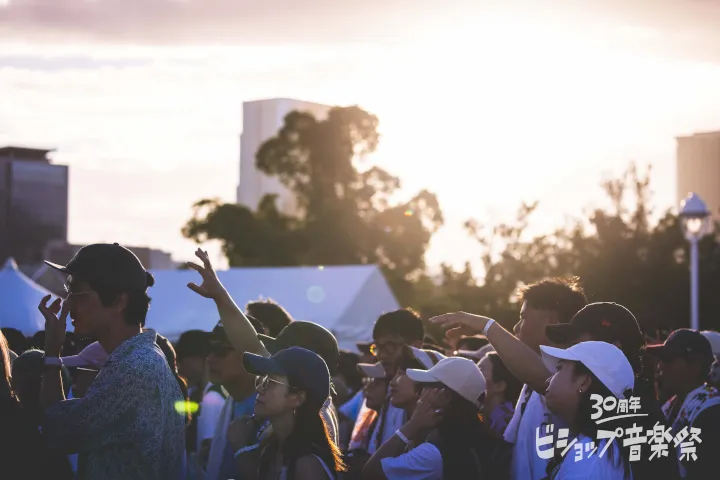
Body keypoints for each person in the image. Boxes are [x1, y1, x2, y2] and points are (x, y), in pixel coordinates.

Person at [432, 299, 680, 480]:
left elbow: (539, 376)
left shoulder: (628, 419)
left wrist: (487, 327)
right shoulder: (614, 410)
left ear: (612, 349)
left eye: (578, 346)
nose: (569, 351)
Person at [39, 242, 186, 480]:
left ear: (119, 302)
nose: (67, 303)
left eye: (77, 293)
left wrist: (52, 352)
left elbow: (58, 432)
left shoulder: (136, 368)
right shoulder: (140, 359)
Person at [431, 277, 587, 480]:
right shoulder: (532, 376)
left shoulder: (571, 375)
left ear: (553, 321)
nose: (516, 328)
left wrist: (486, 326)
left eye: (523, 317)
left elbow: (546, 382)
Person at [187, 249, 341, 445]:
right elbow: (249, 345)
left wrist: (241, 450)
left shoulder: (315, 429)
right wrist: (220, 295)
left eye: (281, 355)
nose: (263, 384)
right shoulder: (303, 408)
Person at [364, 356, 509, 479]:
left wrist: (413, 425)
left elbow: (370, 473)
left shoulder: (435, 453)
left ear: (445, 396)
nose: (419, 393)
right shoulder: (490, 439)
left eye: (425, 386)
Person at [232, 347, 346, 479]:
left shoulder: (308, 466)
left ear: (298, 398)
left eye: (271, 382)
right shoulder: (271, 449)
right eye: (262, 380)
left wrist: (239, 447)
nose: (260, 389)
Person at [540, 341, 634, 479]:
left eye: (559, 368)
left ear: (583, 382)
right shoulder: (599, 450)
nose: (548, 380)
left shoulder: (588, 458)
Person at [646, 329, 720, 479]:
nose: (660, 367)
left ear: (695, 365)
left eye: (667, 359)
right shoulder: (672, 405)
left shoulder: (711, 414)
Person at [203, 320, 260, 480]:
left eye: (220, 350)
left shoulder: (269, 410)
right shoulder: (232, 404)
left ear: (250, 355)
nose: (209, 358)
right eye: (209, 349)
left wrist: (239, 446)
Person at [478, 352, 522, 438]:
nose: (473, 375)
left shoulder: (507, 423)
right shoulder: (483, 414)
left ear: (499, 386)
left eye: (480, 370)